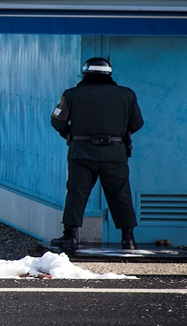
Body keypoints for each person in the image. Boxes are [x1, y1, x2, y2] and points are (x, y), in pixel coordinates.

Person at [49, 57, 144, 251]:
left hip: (81, 152)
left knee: (76, 193)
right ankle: (128, 239)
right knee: (120, 194)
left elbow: (57, 120)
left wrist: (71, 135)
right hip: (114, 153)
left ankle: (70, 237)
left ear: (85, 73)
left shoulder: (71, 94)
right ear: (109, 73)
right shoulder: (127, 95)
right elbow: (137, 123)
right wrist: (117, 136)